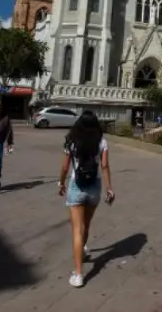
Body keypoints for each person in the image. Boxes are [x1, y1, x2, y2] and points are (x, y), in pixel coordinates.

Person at [58, 110, 115, 288]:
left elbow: (65, 167)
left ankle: (79, 274)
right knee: (86, 225)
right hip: (94, 187)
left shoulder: (71, 141)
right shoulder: (102, 141)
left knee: (77, 229)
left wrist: (60, 183)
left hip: (77, 186)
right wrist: (109, 189)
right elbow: (104, 165)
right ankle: (82, 251)